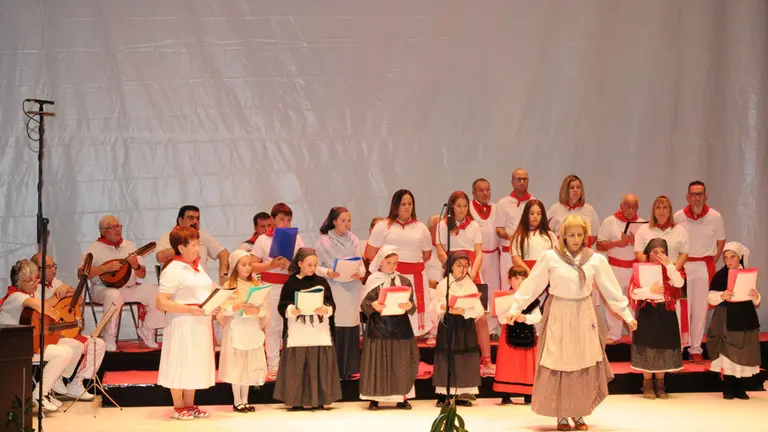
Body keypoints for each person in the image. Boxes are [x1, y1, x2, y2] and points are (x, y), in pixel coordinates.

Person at [507, 215, 638, 432]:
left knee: (582, 361)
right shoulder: (550, 257)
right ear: (563, 237)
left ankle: (579, 412)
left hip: (584, 315)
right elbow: (532, 285)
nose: (576, 239)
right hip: (560, 312)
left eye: (579, 234)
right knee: (560, 361)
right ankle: (561, 414)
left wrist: (627, 315)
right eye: (571, 235)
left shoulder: (595, 260)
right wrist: (515, 308)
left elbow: (611, 290)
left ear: (585, 236)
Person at [156, 226, 218, 420]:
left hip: (200, 321)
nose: (197, 249)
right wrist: (188, 309)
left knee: (194, 361)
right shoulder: (172, 269)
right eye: (193, 245)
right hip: (182, 322)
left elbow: (203, 293)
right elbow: (161, 301)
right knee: (180, 360)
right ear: (181, 248)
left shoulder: (198, 266)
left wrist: (213, 306)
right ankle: (178, 405)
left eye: (197, 244)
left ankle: (190, 404)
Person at [0, 260, 79, 412]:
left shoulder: (28, 295)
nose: (35, 283)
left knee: (74, 345)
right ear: (18, 281)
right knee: (63, 353)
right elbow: (39, 306)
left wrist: (64, 293)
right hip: (17, 349)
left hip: (32, 343)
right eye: (30, 280)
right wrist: (53, 307)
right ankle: (40, 394)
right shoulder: (15, 296)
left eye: (36, 279)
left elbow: (46, 306)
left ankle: (53, 383)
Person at [31, 253, 106, 401]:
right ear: (37, 270)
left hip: (63, 332)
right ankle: (56, 377)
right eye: (48, 267)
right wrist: (57, 297)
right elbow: (40, 309)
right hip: (48, 336)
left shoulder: (57, 282)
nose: (53, 270)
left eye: (54, 266)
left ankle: (76, 382)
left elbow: (77, 303)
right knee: (77, 346)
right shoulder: (33, 287)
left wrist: (71, 290)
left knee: (98, 344)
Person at [273, 248, 342, 410]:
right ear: (300, 264)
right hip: (298, 332)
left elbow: (331, 303)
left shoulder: (322, 282)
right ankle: (296, 399)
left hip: (318, 331)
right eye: (310, 264)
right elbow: (282, 305)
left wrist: (327, 309)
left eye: (315, 265)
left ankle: (318, 399)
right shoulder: (291, 283)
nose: (313, 268)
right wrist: (291, 309)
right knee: (297, 366)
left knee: (318, 364)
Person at [436, 191, 494, 375]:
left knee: (481, 317)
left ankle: (487, 360)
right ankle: (455, 358)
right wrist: (454, 270)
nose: (462, 209)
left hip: (471, 273)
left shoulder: (474, 225)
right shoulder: (442, 225)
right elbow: (440, 251)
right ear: (451, 206)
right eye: (458, 205)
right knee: (452, 314)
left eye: (465, 206)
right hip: (452, 273)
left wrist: (471, 273)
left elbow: (478, 253)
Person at [83, 215, 161, 351]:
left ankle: (147, 328)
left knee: (156, 291)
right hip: (101, 289)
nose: (117, 230)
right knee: (113, 295)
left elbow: (141, 275)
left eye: (118, 226)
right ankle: (109, 337)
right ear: (103, 231)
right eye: (112, 227)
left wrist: (136, 265)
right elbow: (82, 273)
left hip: (128, 288)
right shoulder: (94, 249)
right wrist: (104, 269)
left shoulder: (129, 246)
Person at [250, 203, 307, 380]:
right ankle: (273, 365)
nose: (285, 223)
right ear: (272, 220)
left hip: (291, 286)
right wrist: (271, 264)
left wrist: (291, 265)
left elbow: (306, 263)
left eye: (289, 220)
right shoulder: (263, 240)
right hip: (271, 286)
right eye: (281, 219)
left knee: (293, 325)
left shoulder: (297, 239)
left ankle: (292, 364)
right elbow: (251, 265)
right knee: (273, 326)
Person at [365, 189, 433, 337]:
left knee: (414, 323)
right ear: (395, 206)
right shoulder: (383, 226)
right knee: (393, 319)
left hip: (416, 279)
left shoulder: (421, 228)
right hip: (391, 278)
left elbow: (427, 255)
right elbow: (370, 254)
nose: (407, 207)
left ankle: (411, 356)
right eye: (403, 204)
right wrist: (390, 265)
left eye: (410, 204)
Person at [359, 246, 419, 410]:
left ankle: (401, 397)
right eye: (388, 262)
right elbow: (364, 305)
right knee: (378, 364)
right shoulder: (373, 280)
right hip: (379, 328)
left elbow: (412, 305)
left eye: (395, 262)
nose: (392, 266)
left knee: (400, 363)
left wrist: (408, 305)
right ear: (380, 262)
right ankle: (375, 398)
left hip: (400, 328)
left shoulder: (404, 281)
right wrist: (374, 305)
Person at [674, 181, 726, 364]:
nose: (697, 198)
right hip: (684, 266)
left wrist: (713, 260)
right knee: (682, 309)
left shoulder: (715, 216)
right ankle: (679, 347)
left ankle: (696, 348)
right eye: (693, 194)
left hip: (703, 267)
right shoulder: (678, 216)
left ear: (706, 196)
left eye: (700, 194)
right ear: (687, 196)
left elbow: (721, 241)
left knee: (700, 309)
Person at [628, 238, 684, 399]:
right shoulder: (640, 269)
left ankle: (660, 384)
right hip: (647, 311)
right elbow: (633, 292)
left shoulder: (670, 270)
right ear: (648, 253)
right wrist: (649, 290)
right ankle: (647, 384)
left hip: (665, 312)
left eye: (662, 252)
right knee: (648, 347)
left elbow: (679, 283)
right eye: (655, 251)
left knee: (663, 347)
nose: (659, 255)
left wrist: (669, 265)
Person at [315, 206, 366, 380]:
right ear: (334, 221)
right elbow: (315, 267)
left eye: (349, 220)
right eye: (343, 220)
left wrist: (360, 272)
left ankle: (350, 368)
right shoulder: (324, 242)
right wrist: (328, 272)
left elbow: (362, 265)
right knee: (336, 325)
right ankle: (334, 368)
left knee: (351, 326)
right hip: (334, 287)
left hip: (351, 288)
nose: (347, 224)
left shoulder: (354, 240)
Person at [634, 196, 690, 349]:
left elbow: (684, 253)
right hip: (650, 278)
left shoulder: (680, 230)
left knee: (673, 313)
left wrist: (670, 270)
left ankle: (674, 349)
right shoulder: (644, 229)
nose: (661, 211)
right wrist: (651, 270)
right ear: (653, 210)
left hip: (673, 276)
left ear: (670, 211)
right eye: (658, 208)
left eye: (665, 208)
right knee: (649, 314)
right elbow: (639, 252)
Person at [707, 242, 761, 400]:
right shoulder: (720, 275)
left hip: (745, 317)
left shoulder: (747, 274)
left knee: (743, 352)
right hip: (726, 317)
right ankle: (728, 388)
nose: (729, 260)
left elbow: (756, 299)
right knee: (728, 353)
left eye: (732, 257)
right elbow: (710, 297)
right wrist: (722, 295)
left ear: (739, 257)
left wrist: (755, 296)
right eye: (726, 257)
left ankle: (740, 388)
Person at [430, 251, 484, 406]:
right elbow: (436, 306)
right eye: (459, 265)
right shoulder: (443, 284)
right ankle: (444, 394)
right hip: (449, 324)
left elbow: (479, 309)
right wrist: (445, 307)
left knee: (464, 358)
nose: (463, 269)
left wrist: (464, 311)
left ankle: (461, 393)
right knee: (446, 358)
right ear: (451, 267)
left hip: (465, 326)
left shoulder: (470, 284)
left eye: (466, 266)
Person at [217, 250, 268, 413]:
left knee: (248, 365)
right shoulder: (229, 286)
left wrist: (257, 312)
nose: (247, 268)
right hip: (236, 328)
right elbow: (222, 310)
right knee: (236, 365)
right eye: (243, 265)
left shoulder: (255, 284)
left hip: (251, 329)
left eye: (249, 264)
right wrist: (236, 307)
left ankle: (246, 400)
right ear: (235, 266)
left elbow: (264, 309)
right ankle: (237, 400)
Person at [596, 194, 645, 344]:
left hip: (634, 268)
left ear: (637, 207)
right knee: (613, 301)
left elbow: (648, 247)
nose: (630, 210)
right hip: (614, 267)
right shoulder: (610, 221)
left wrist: (634, 242)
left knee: (634, 302)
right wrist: (618, 243)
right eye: (627, 206)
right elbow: (599, 245)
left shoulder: (643, 224)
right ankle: (614, 333)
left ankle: (634, 333)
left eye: (634, 206)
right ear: (621, 205)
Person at [493, 265, 539, 405]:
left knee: (527, 366)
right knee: (508, 365)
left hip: (528, 336)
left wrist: (525, 318)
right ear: (509, 280)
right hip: (509, 336)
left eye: (523, 278)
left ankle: (528, 393)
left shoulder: (531, 298)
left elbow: (538, 317)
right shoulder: (502, 297)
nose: (519, 281)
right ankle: (505, 393)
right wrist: (510, 314)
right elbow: (500, 319)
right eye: (516, 278)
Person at [156, 205, 230, 285]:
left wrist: (223, 274)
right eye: (190, 218)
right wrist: (185, 247)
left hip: (203, 284)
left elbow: (224, 253)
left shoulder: (203, 236)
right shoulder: (169, 236)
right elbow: (160, 257)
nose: (195, 222)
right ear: (180, 220)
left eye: (197, 218)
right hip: (178, 287)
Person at [469, 178, 502, 338]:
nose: (485, 193)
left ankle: (493, 330)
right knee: (478, 291)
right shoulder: (468, 208)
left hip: (494, 255)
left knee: (493, 291)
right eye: (481, 190)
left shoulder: (497, 208)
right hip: (476, 256)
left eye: (487, 189)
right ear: (473, 192)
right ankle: (476, 329)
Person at [496, 169, 534, 292]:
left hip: (529, 251)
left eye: (525, 179)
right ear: (512, 182)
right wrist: (510, 237)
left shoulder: (534, 202)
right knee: (508, 287)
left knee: (529, 285)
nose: (522, 182)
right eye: (518, 179)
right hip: (508, 253)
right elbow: (499, 230)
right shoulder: (503, 203)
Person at [547, 175, 600, 247]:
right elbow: (546, 232)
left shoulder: (589, 209)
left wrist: (581, 247)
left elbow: (594, 235)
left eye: (578, 187)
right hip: (561, 253)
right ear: (565, 190)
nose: (575, 190)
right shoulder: (555, 209)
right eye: (572, 187)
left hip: (583, 254)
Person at [510, 199, 558, 274]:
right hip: (525, 275)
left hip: (546, 275)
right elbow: (516, 259)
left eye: (539, 214)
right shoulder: (518, 236)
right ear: (526, 215)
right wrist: (528, 272)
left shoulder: (550, 235)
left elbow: (556, 258)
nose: (535, 216)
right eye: (532, 213)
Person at [359, 216, 384, 284]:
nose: (380, 233)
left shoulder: (389, 250)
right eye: (377, 230)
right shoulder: (360, 247)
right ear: (370, 230)